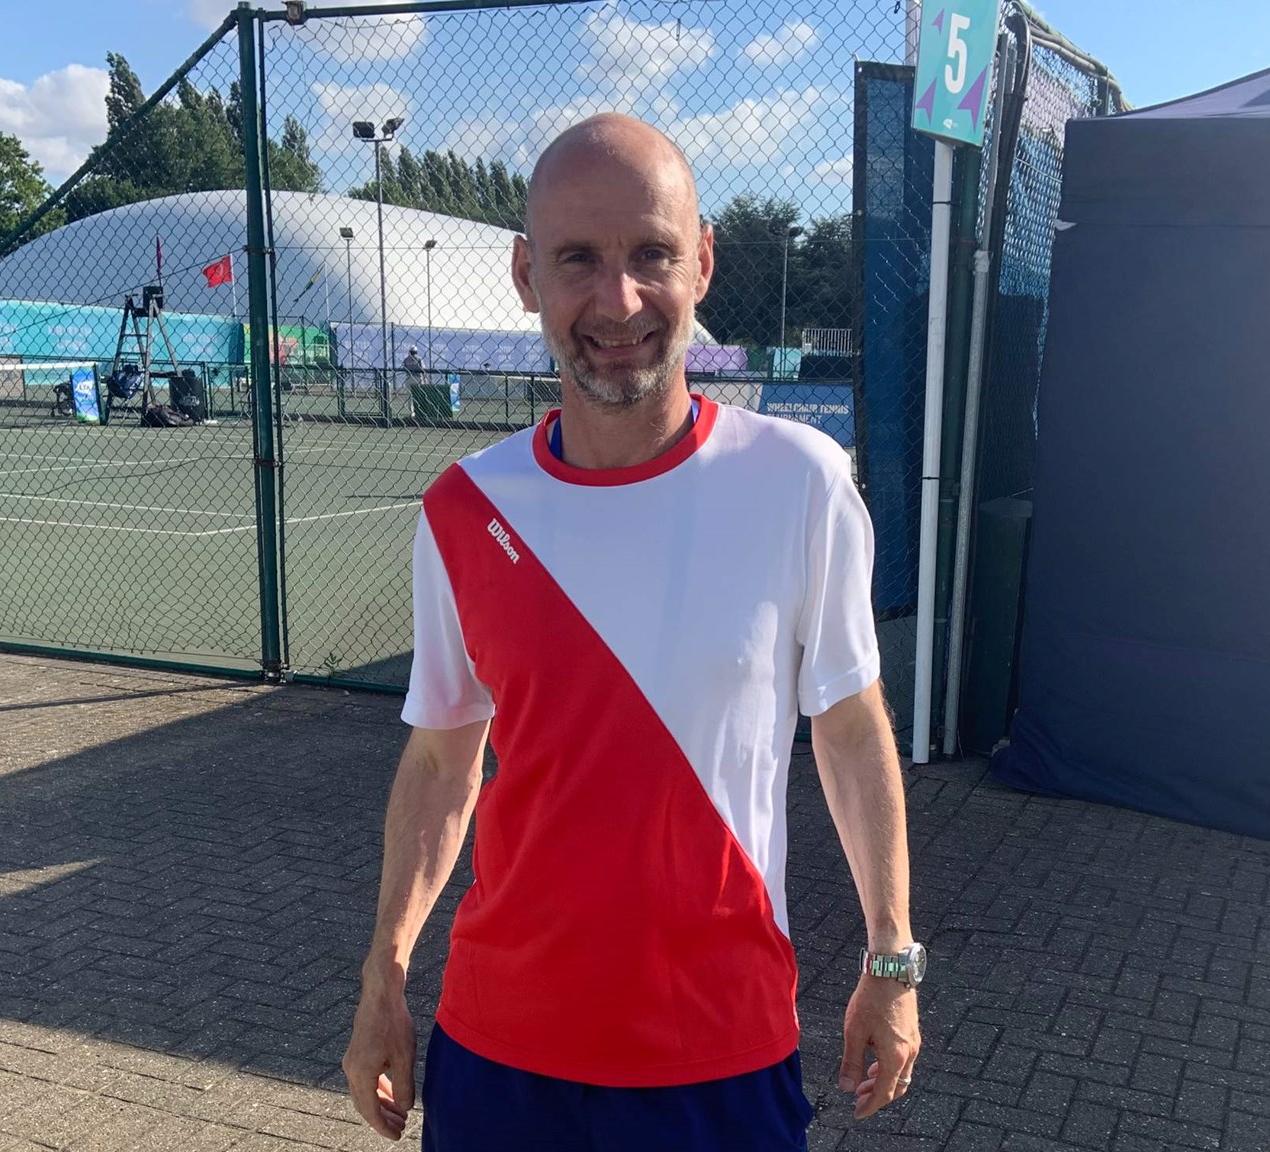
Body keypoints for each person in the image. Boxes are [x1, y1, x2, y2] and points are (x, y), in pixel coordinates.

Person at [342, 113, 921, 1151]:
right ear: (525, 275)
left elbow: (846, 726)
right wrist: (384, 976)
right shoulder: (464, 509)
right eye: (577, 259)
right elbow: (439, 762)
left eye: (650, 253)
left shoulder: (798, 481)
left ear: (700, 262)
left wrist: (891, 959)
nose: (617, 301)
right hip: (498, 1056)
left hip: (719, 1051)